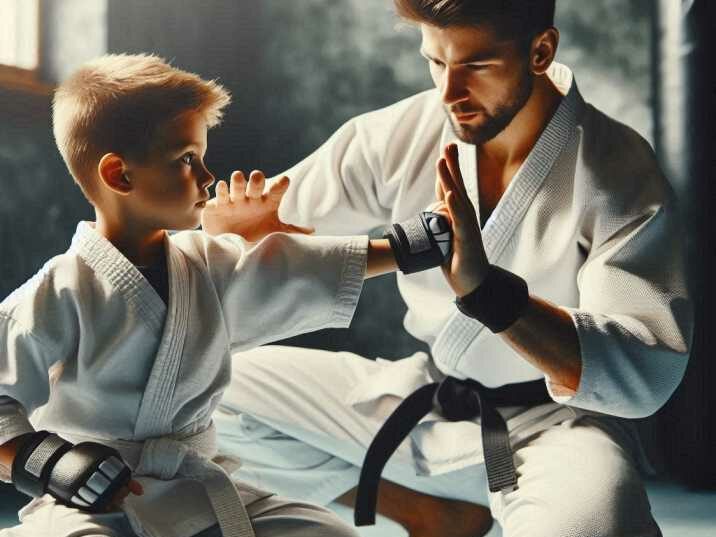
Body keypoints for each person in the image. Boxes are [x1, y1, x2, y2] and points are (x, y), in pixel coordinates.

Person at [205, 1, 693, 536]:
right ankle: (431, 516)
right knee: (197, 387)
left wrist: (491, 296)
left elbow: (644, 368)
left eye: (476, 66)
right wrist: (242, 237)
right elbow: (270, 232)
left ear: (540, 51)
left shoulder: (616, 170)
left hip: (556, 431)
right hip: (432, 401)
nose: (449, 93)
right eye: (436, 63)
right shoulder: (402, 132)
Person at [0, 53, 454, 537]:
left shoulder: (207, 264)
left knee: (326, 532)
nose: (207, 178)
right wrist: (49, 464)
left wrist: (407, 247)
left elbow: (293, 270)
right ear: (120, 176)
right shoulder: (59, 291)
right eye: (186, 160)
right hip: (93, 499)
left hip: (193, 484)